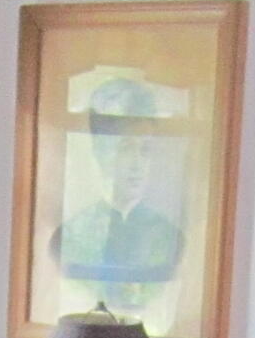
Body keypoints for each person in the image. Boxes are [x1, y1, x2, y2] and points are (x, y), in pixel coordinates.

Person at [53, 75, 184, 305]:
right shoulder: (68, 238)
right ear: (101, 151)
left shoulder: (170, 238)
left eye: (145, 150)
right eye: (125, 148)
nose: (137, 164)